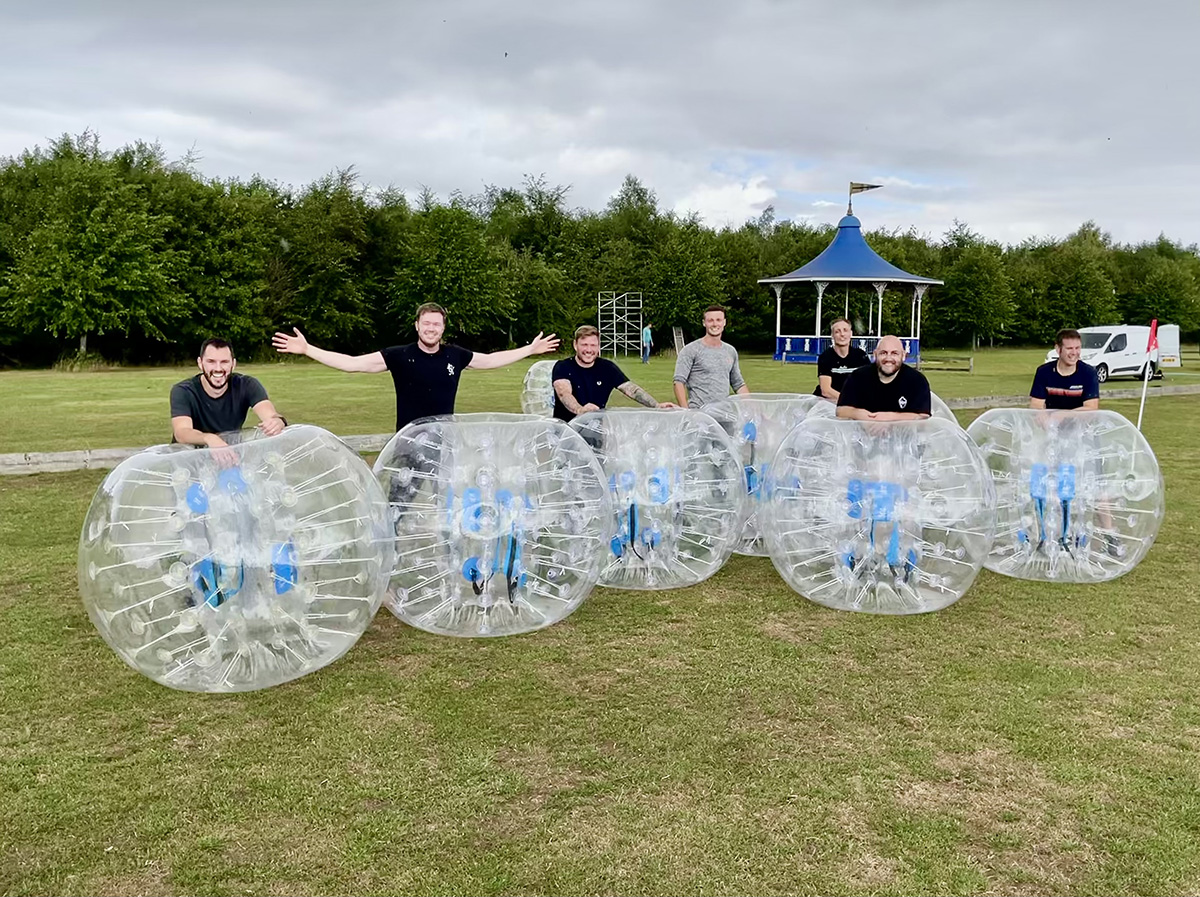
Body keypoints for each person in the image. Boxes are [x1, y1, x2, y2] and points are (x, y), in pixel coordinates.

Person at [272, 303, 560, 432]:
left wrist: (529, 350)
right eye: (426, 323)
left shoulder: (455, 356)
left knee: (442, 504)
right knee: (400, 504)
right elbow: (352, 364)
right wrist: (308, 349)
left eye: (437, 324)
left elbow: (490, 359)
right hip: (406, 440)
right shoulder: (398, 356)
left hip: (445, 441)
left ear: (443, 328)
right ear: (417, 326)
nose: (431, 329)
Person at [170, 339, 286, 452]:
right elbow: (182, 433)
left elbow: (271, 415)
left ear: (233, 364)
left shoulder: (247, 385)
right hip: (189, 458)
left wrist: (277, 422)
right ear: (200, 363)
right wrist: (210, 438)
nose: (218, 369)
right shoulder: (183, 391)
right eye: (211, 361)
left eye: (224, 362)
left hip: (229, 452)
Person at [552, 325, 674, 422]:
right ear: (575, 345)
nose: (589, 350)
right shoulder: (562, 366)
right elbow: (564, 394)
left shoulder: (607, 368)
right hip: (565, 434)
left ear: (599, 347)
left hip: (595, 432)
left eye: (593, 345)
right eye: (584, 345)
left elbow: (631, 390)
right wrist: (580, 410)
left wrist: (656, 405)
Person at [836, 335, 931, 420]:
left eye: (894, 353)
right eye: (883, 353)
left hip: (903, 438)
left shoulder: (917, 381)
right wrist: (860, 415)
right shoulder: (858, 377)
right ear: (875, 355)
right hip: (864, 436)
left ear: (903, 356)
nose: (888, 358)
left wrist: (890, 418)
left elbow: (923, 416)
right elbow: (840, 411)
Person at [672, 305, 750, 408]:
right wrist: (686, 413)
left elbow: (738, 384)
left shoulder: (730, 351)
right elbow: (678, 382)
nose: (715, 324)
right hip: (700, 416)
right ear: (704, 323)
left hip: (725, 414)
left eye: (718, 320)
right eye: (710, 320)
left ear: (724, 322)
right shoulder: (690, 350)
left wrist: (753, 409)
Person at [1029, 329, 1100, 411]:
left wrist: (1062, 416)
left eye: (1077, 348)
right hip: (1051, 422)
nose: (1074, 352)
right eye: (1069, 348)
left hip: (1079, 422)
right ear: (1058, 349)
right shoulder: (1044, 372)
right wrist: (1043, 418)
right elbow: (1036, 406)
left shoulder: (1089, 373)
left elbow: (1091, 408)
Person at [814, 317, 871, 401]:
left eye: (845, 330)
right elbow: (826, 391)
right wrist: (848, 400)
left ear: (851, 333)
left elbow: (869, 383)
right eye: (837, 331)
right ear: (832, 335)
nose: (842, 334)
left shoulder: (860, 356)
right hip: (828, 402)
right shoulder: (826, 357)